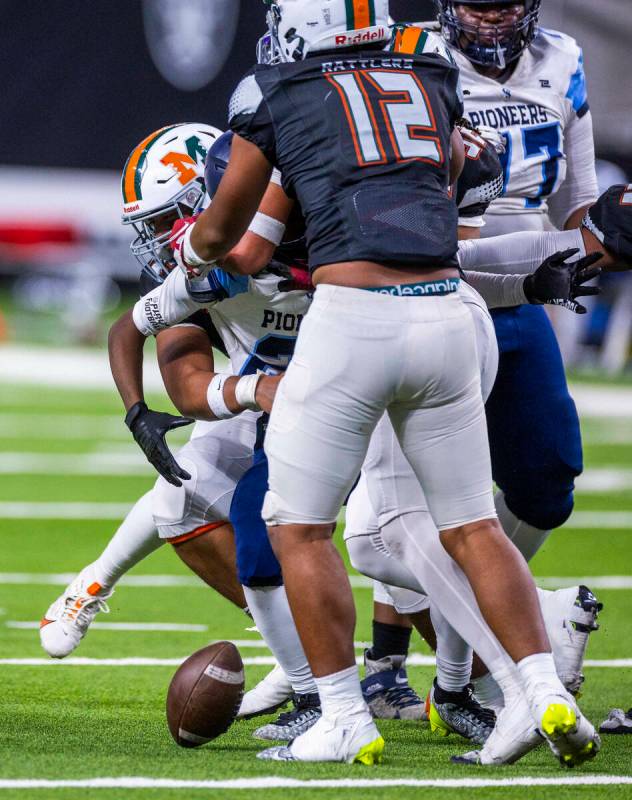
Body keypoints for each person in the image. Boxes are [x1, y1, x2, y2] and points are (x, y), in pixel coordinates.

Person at [167, 0, 599, 766]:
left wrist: (188, 268)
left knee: (297, 525)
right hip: (448, 312)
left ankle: (341, 714)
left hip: (353, 317)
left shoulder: (285, 90)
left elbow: (228, 237)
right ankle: (543, 691)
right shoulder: (433, 73)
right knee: (472, 524)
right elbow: (469, 183)